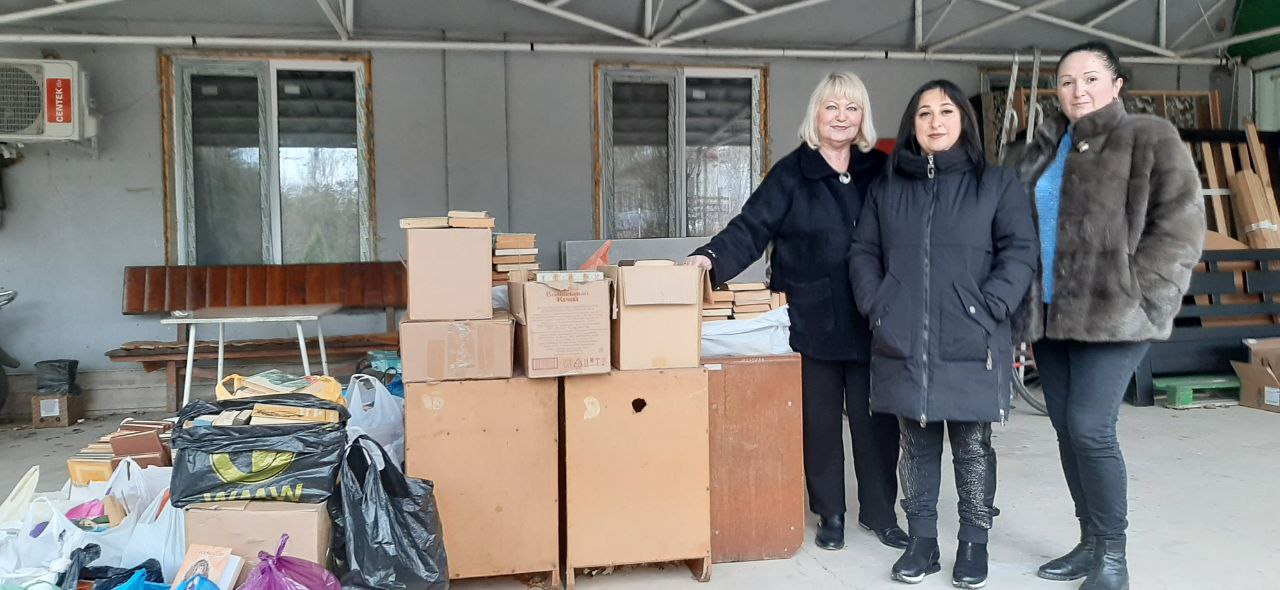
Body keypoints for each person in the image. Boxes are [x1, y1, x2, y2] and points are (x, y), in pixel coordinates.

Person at [685, 72, 907, 551]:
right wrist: (710, 257)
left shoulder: (881, 169)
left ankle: (880, 512)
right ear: (817, 114)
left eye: (851, 108)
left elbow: (910, 231)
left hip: (873, 319)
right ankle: (830, 513)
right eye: (832, 107)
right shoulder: (792, 172)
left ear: (863, 115)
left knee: (877, 423)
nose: (842, 117)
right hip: (812, 317)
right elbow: (751, 227)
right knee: (819, 422)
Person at [1015, 41, 1204, 590]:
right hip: (1049, 315)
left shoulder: (1148, 138)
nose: (1079, 90)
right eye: (1067, 80)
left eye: (1091, 78)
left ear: (1117, 84)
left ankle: (1114, 556)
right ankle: (1089, 541)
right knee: (1063, 428)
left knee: (1090, 427)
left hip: (1114, 313)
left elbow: (1181, 227)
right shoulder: (1043, 148)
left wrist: (1146, 297)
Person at [848, 79, 1037, 588]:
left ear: (964, 122)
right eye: (925, 113)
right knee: (917, 445)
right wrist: (878, 303)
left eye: (946, 111)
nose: (936, 121)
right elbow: (864, 252)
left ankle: (974, 544)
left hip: (970, 337)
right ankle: (923, 541)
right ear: (913, 124)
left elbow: (1020, 250)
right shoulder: (888, 188)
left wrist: (990, 304)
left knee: (972, 447)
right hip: (904, 335)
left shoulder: (995, 184)